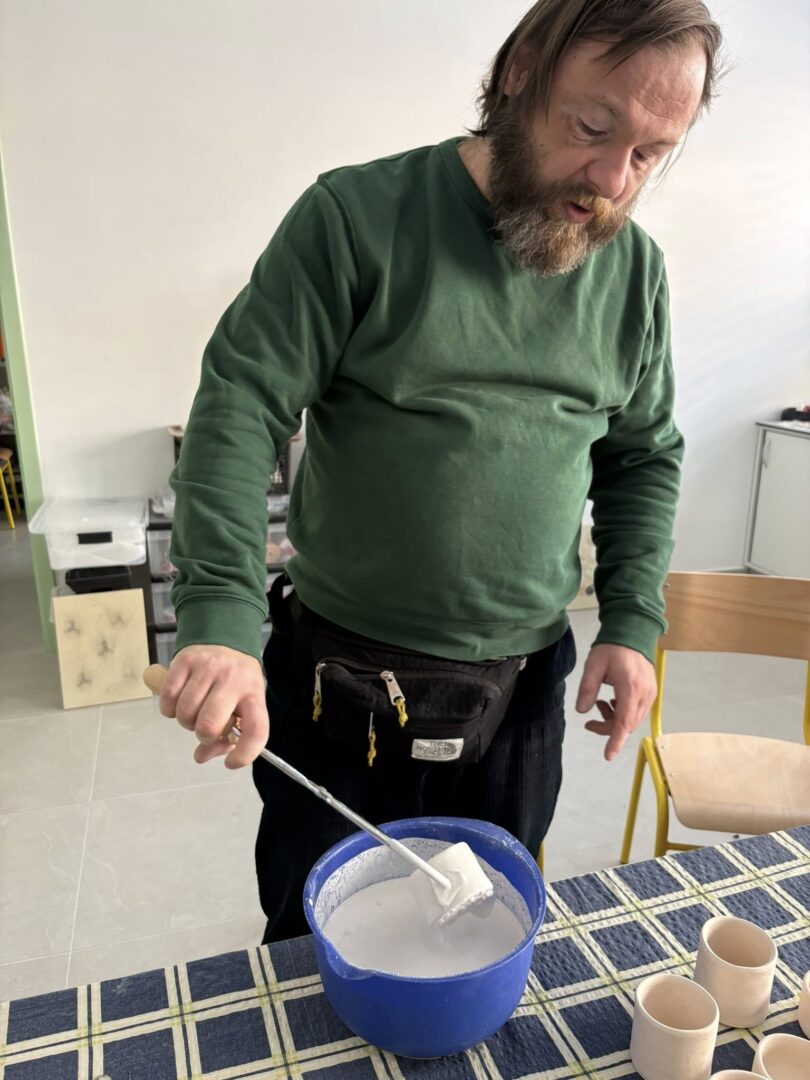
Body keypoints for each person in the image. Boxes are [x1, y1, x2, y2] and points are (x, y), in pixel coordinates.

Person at [160, 0, 723, 942]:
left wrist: (631, 621)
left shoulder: (634, 273)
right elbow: (239, 405)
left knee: (486, 929)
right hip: (341, 674)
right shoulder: (355, 218)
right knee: (317, 938)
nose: (612, 182)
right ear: (520, 72)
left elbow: (642, 455)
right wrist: (219, 616)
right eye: (593, 128)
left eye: (649, 154)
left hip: (524, 687)